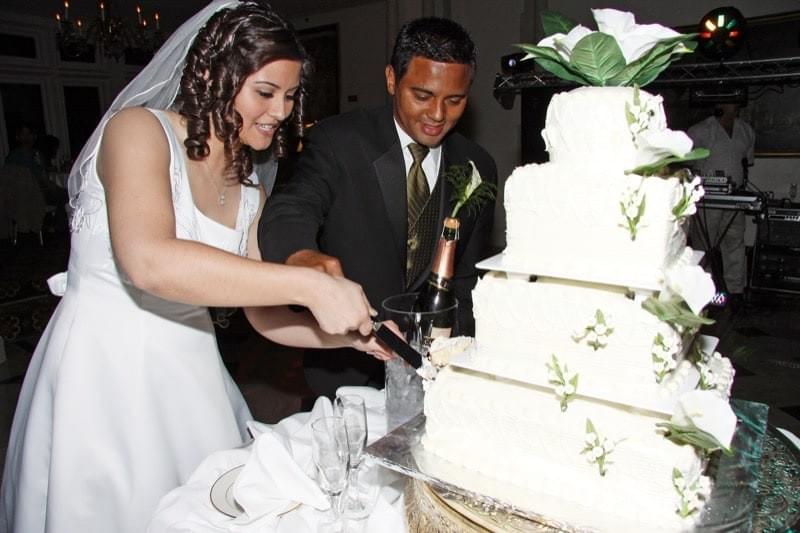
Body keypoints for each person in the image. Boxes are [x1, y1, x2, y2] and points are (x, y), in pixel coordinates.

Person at [0, 2, 393, 532]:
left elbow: (265, 315)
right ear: (213, 74)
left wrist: (350, 338)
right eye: (265, 92)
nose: (280, 111)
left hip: (192, 375)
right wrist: (307, 281)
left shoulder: (249, 181)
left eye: (291, 96)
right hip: (102, 370)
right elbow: (149, 261)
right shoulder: (136, 131)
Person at [259, 17, 497, 399]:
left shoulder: (479, 166)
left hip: (437, 375)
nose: (438, 114)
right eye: (421, 95)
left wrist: (459, 359)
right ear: (391, 79)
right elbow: (291, 207)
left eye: (454, 100)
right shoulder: (339, 141)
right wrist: (300, 257)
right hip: (346, 369)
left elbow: (466, 280)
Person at [687, 103, 755, 305]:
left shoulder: (746, 131)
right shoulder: (700, 130)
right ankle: (703, 291)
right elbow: (688, 161)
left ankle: (735, 291)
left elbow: (747, 161)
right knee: (705, 245)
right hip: (708, 198)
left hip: (734, 197)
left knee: (735, 242)